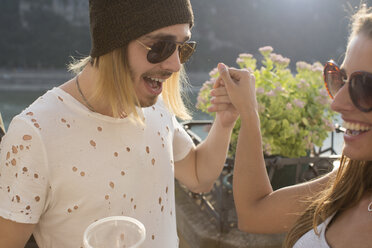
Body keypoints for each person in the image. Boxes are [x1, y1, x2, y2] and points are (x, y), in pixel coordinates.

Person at [0, 1, 238, 247]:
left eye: (182, 47)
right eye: (162, 46)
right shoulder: (35, 134)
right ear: (113, 41)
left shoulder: (155, 105)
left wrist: (225, 120)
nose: (176, 64)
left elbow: (199, 177)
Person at [217, 4, 372, 248]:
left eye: (365, 88)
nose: (337, 104)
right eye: (339, 80)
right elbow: (252, 213)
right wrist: (248, 112)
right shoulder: (352, 181)